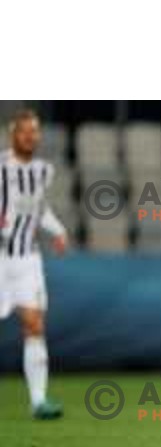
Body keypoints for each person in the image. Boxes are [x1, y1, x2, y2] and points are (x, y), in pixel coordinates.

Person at [0, 109, 68, 420]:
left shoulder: (43, 171)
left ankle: (38, 401)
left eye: (34, 131)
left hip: (27, 259)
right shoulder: (1, 167)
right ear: (13, 134)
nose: (30, 136)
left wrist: (58, 231)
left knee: (35, 325)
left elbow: (40, 209)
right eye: (24, 131)